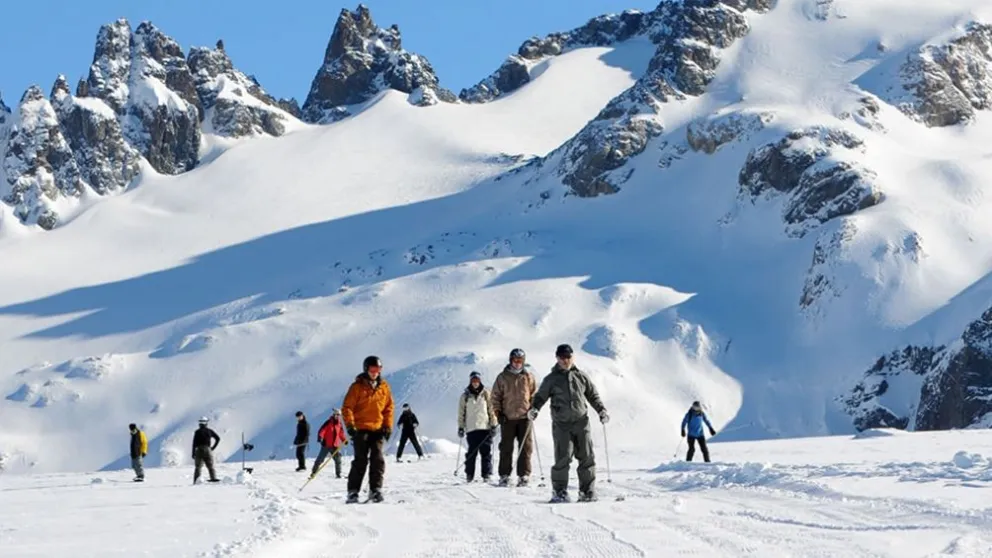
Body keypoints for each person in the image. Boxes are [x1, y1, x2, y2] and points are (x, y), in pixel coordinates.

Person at [528, 344, 608, 503]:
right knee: (563, 458)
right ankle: (560, 492)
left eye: (568, 357)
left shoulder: (581, 376)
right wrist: (534, 409)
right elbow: (540, 397)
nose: (565, 360)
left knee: (586, 457)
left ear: (573, 357)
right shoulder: (551, 379)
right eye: (562, 357)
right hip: (562, 424)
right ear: (557, 358)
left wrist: (601, 410)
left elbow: (593, 395)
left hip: (581, 422)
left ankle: (587, 492)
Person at [342, 355, 394, 503]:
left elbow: (388, 408)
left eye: (378, 369)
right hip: (360, 429)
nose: (375, 372)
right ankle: (353, 492)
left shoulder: (384, 387)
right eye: (372, 369)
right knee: (361, 460)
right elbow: (347, 407)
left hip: (377, 429)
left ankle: (375, 490)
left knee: (377, 459)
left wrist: (387, 426)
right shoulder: (357, 387)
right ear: (366, 369)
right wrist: (350, 426)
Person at [491, 348, 537, 487]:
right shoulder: (502, 377)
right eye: (515, 360)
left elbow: (534, 395)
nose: (517, 363)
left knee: (526, 448)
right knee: (506, 448)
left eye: (520, 361)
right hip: (508, 418)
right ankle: (504, 475)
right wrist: (499, 413)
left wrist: (533, 409)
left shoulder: (528, 376)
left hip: (525, 417)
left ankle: (524, 475)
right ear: (510, 360)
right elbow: (495, 397)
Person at [458, 371, 498, 483]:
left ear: (480, 381)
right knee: (471, 453)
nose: (475, 382)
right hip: (471, 428)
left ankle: (486, 475)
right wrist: (461, 427)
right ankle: (469, 475)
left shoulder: (486, 394)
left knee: (486, 453)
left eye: (477, 380)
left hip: (485, 428)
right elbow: (461, 413)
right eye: (473, 380)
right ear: (470, 381)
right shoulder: (465, 396)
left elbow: (491, 410)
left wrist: (493, 424)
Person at [312, 408, 347, 479]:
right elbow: (322, 430)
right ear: (333, 414)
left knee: (338, 459)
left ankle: (338, 474)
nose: (337, 416)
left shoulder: (339, 424)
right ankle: (314, 472)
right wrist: (320, 437)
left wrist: (344, 440)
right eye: (336, 414)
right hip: (326, 444)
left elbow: (341, 433)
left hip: (335, 445)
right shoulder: (328, 422)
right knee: (320, 459)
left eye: (339, 415)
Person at [192, 417, 221, 484]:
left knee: (198, 468)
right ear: (206, 423)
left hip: (199, 450)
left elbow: (194, 443)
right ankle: (213, 480)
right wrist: (213, 448)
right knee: (211, 467)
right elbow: (218, 438)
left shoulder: (197, 432)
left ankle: (196, 482)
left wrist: (193, 453)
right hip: (208, 449)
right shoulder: (209, 431)